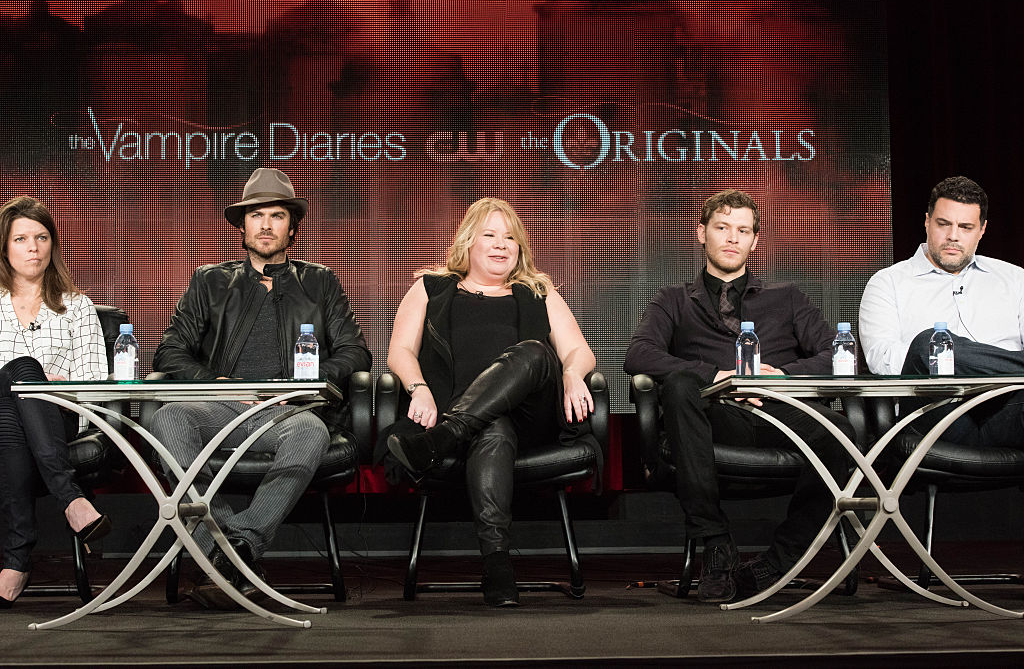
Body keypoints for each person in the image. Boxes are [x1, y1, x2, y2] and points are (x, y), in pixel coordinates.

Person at [150, 168, 371, 610]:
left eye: (277, 216)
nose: (266, 225)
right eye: (256, 215)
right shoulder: (210, 280)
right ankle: (232, 554)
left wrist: (300, 384)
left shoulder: (320, 281)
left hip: (288, 411)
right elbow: (170, 351)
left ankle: (232, 551)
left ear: (293, 228)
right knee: (168, 417)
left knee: (310, 431)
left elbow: (355, 352)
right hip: (224, 408)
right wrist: (215, 383)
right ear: (242, 226)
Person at [623, 189, 852, 603]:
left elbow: (838, 356)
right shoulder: (673, 299)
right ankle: (716, 544)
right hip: (715, 417)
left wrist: (781, 375)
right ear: (701, 233)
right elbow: (639, 354)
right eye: (722, 227)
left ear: (755, 241)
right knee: (679, 385)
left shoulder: (787, 296)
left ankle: (777, 562)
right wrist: (717, 376)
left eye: (743, 231)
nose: (732, 238)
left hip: (779, 413)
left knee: (842, 432)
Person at [384, 197, 598, 607]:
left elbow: (578, 351)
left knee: (535, 351)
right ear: (468, 241)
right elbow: (400, 351)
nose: (501, 245)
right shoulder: (431, 287)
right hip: (462, 413)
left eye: (510, 238)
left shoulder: (538, 291)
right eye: (490, 235)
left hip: (529, 418)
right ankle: (497, 564)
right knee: (492, 427)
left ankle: (444, 438)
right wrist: (419, 387)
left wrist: (572, 374)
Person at [0, 196, 110, 608]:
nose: (33, 247)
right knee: (15, 385)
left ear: (53, 244)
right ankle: (71, 500)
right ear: (4, 248)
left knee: (20, 379)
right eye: (21, 239)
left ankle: (16, 558)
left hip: (60, 418)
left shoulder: (76, 306)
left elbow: (95, 385)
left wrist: (55, 386)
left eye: (42, 237)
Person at [859, 175, 1024, 444]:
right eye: (943, 224)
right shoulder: (888, 282)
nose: (953, 236)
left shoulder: (1015, 279)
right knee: (929, 345)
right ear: (927, 221)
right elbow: (883, 361)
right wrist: (963, 363)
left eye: (966, 227)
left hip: (1006, 409)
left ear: (982, 230)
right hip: (932, 411)